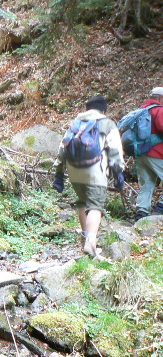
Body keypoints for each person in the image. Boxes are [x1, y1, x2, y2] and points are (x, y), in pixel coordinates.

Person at [52, 95, 125, 258]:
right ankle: (90, 244)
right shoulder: (107, 123)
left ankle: (85, 239)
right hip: (94, 169)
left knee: (83, 202)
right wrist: (118, 172)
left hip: (73, 169)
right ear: (103, 110)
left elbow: (62, 147)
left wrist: (59, 172)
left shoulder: (76, 123)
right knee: (96, 205)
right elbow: (114, 149)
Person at [134, 87, 163, 221]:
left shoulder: (141, 110)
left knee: (146, 183)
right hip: (156, 153)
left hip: (140, 154)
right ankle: (160, 208)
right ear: (160, 98)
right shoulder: (159, 110)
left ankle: (142, 212)